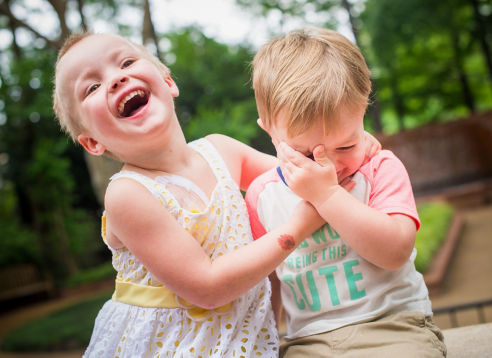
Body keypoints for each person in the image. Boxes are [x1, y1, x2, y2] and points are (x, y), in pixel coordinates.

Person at [52, 32, 328, 357]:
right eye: (92, 87)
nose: (115, 79)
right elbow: (208, 287)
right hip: (172, 347)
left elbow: (297, 176)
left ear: (168, 82)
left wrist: (349, 149)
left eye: (126, 62)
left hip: (239, 340)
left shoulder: (222, 150)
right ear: (93, 143)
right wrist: (298, 227)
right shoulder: (127, 194)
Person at [245, 27, 447, 357]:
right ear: (269, 130)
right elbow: (270, 282)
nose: (329, 167)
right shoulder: (262, 196)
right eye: (305, 153)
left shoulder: (380, 168)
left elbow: (395, 252)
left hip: (394, 327)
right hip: (308, 342)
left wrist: (326, 196)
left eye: (346, 145)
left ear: (363, 109)